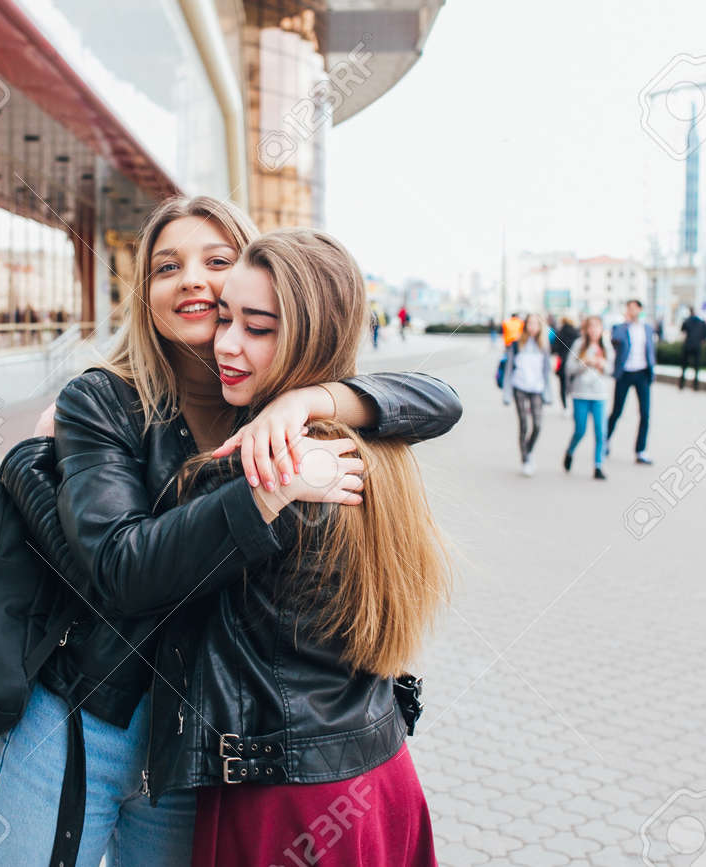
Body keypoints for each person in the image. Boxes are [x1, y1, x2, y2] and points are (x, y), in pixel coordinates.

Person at [0, 196, 463, 865]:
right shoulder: (109, 399)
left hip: (203, 740)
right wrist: (29, 468)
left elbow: (441, 400)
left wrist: (310, 399)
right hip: (93, 715)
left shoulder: (271, 410)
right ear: (145, 291)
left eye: (217, 261)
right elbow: (120, 569)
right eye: (166, 265)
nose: (193, 280)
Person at [146, 228, 449, 866]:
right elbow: (442, 400)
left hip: (290, 804)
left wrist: (41, 455)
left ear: (309, 335)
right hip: (377, 776)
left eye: (257, 328)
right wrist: (314, 396)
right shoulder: (365, 443)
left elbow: (132, 567)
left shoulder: (268, 467)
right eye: (225, 319)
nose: (224, 344)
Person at [502, 312, 553, 476]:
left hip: (537, 389)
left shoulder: (544, 346)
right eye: (530, 323)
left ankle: (528, 450)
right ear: (525, 325)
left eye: (536, 324)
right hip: (520, 388)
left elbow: (546, 371)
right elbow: (509, 369)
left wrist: (548, 392)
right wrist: (507, 393)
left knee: (538, 425)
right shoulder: (516, 344)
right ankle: (525, 459)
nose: (532, 327)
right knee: (523, 424)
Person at [563, 315, 614, 480]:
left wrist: (602, 364)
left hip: (599, 394)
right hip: (581, 393)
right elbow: (569, 368)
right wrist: (585, 362)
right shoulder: (579, 345)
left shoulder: (606, 346)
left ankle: (598, 465)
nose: (594, 330)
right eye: (591, 327)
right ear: (586, 329)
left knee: (601, 431)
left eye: (597, 327)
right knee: (580, 430)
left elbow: (612, 369)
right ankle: (570, 451)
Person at [606, 299, 656, 465]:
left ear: (640, 310)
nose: (632, 311)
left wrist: (651, 370)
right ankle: (604, 441)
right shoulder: (620, 328)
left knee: (645, 413)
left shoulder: (647, 329)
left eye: (634, 308)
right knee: (616, 411)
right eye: (629, 308)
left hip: (642, 374)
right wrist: (625, 322)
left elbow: (650, 350)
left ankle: (641, 450)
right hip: (625, 374)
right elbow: (615, 340)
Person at [551, 314, 579, 413]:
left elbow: (554, 348)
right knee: (573, 384)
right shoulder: (577, 332)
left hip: (563, 361)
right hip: (574, 362)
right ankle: (573, 405)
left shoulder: (560, 333)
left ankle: (565, 407)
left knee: (562, 385)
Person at [679, 305, 706, 391]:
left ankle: (681, 385)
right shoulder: (701, 322)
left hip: (688, 345)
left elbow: (683, 332)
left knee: (684, 366)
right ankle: (695, 386)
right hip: (697, 345)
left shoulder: (687, 321)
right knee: (696, 366)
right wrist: (703, 339)